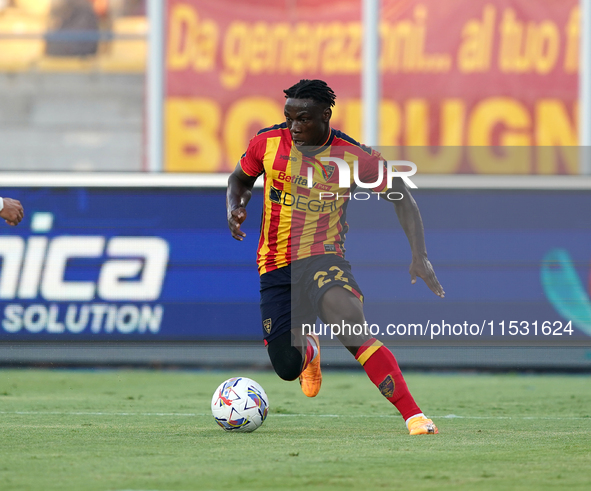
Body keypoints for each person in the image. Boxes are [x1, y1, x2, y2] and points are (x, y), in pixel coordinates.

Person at [227, 79, 444, 435]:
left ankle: (414, 416)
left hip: (323, 258)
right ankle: (309, 350)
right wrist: (235, 206)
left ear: (326, 115)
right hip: (276, 266)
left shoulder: (352, 155)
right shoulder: (266, 143)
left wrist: (419, 255)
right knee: (286, 366)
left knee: (349, 323)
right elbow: (239, 179)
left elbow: (401, 196)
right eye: (289, 117)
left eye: (305, 118)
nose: (294, 127)